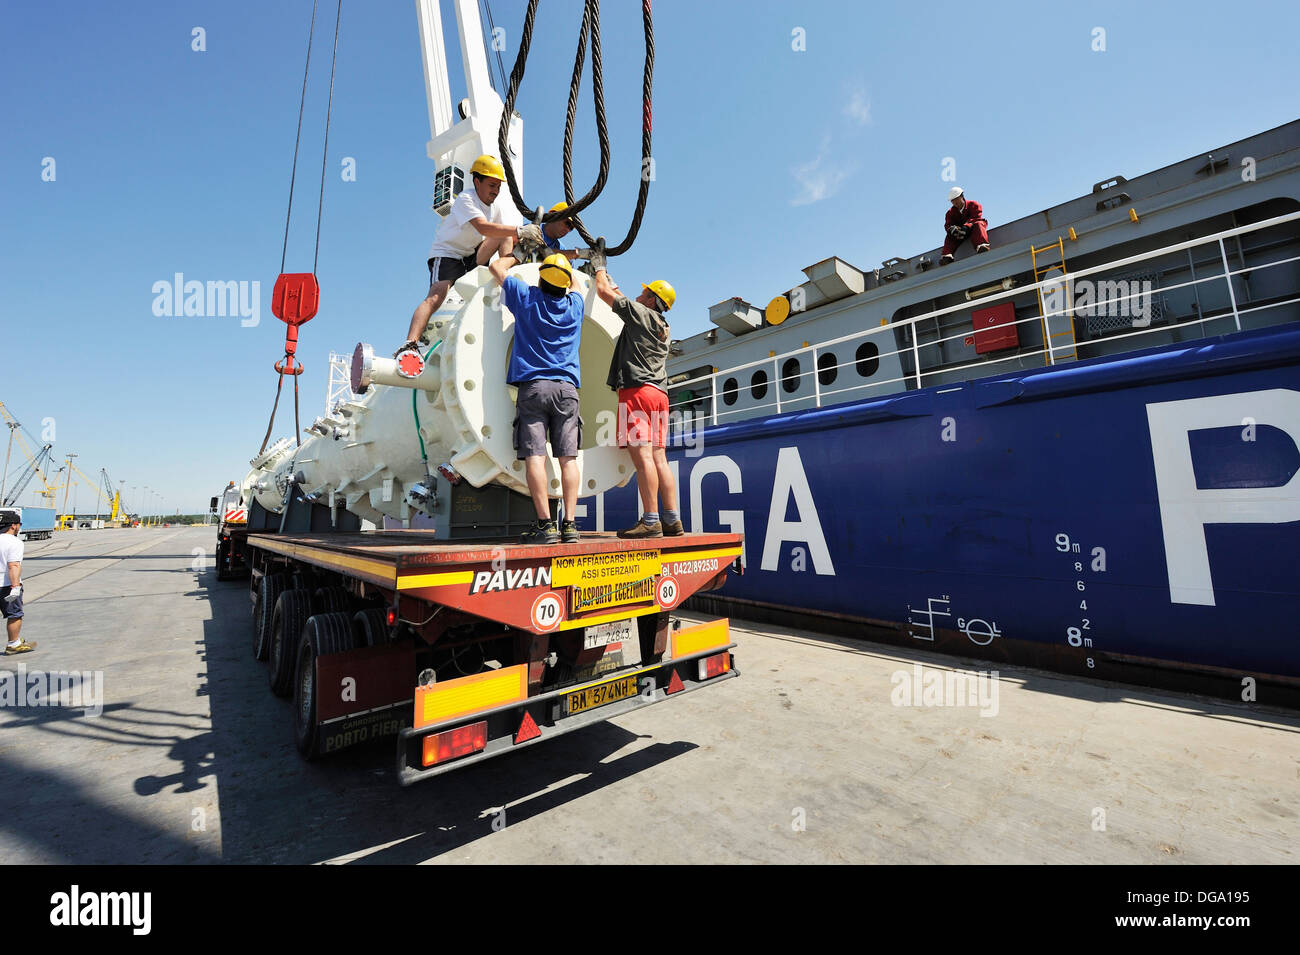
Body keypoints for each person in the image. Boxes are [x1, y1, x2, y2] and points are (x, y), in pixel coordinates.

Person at [398, 154, 545, 357]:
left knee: (506, 234)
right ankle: (410, 344)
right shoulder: (466, 199)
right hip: (448, 254)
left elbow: (503, 234)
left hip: (470, 256)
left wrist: (522, 239)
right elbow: (482, 226)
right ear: (477, 181)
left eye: (498, 186)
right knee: (436, 296)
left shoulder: (495, 209)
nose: (496, 190)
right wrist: (520, 231)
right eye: (492, 185)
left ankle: (506, 277)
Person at [488, 250, 586, 544]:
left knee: (535, 457)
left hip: (533, 388)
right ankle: (569, 524)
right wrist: (565, 266)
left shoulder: (526, 297)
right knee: (568, 460)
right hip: (567, 390)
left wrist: (519, 252)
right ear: (564, 283)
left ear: (541, 279)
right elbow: (578, 286)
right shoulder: (574, 307)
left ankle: (545, 525)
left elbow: (496, 267)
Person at [590, 248, 683, 538]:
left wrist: (598, 265)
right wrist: (607, 277)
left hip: (638, 392)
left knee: (642, 457)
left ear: (653, 300)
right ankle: (672, 520)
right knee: (659, 457)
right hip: (660, 395)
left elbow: (604, 291)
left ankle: (651, 520)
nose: (639, 295)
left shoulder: (640, 313)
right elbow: (620, 295)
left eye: (644, 293)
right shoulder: (663, 326)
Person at [1, 512, 33, 655]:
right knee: (14, 614)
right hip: (7, 585)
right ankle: (13, 643)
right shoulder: (14, 542)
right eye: (19, 524)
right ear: (13, 525)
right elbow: (13, 565)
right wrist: (15, 587)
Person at [940, 186, 990, 264]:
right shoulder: (950, 213)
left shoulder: (973, 204)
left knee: (978, 224)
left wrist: (967, 226)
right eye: (952, 201)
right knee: (949, 235)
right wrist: (952, 229)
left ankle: (981, 245)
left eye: (956, 199)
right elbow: (948, 225)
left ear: (962, 196)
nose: (955, 202)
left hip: (974, 230)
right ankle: (947, 256)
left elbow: (976, 217)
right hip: (960, 234)